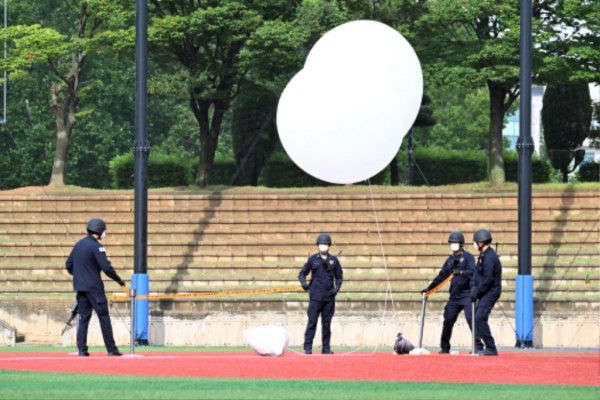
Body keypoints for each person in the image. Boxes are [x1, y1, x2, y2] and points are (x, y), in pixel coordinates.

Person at [66, 218, 126, 357]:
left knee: (83, 318)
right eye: (104, 231)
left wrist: (80, 275)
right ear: (98, 231)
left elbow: (68, 264)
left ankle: (82, 349)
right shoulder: (96, 246)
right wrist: (119, 280)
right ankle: (112, 349)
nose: (105, 233)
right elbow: (106, 267)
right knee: (104, 317)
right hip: (95, 288)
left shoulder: (78, 245)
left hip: (81, 288)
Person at [421, 231, 475, 354]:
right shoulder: (450, 260)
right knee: (448, 320)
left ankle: (478, 346)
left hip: (467, 294)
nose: (453, 245)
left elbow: (472, 271)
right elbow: (441, 276)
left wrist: (461, 273)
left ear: (461, 244)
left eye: (455, 242)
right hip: (454, 296)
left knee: (471, 319)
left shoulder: (468, 257)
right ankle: (444, 347)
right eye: (451, 243)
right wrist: (429, 288)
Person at [298, 233, 343, 355]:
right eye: (321, 244)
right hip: (315, 297)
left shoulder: (334, 260)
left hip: (329, 297)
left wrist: (337, 288)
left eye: (325, 244)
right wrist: (303, 283)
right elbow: (302, 273)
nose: (323, 246)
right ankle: (308, 347)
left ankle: (326, 348)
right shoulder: (312, 259)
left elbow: (339, 277)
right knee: (312, 321)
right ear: (318, 245)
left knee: (326, 324)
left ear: (329, 245)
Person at [470, 229, 502, 356]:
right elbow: (477, 273)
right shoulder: (483, 256)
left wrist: (477, 292)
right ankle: (481, 347)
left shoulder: (490, 257)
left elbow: (488, 279)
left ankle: (491, 347)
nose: (475, 244)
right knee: (478, 318)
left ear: (481, 242)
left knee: (479, 318)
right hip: (484, 291)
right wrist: (473, 287)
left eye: (476, 242)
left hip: (490, 292)